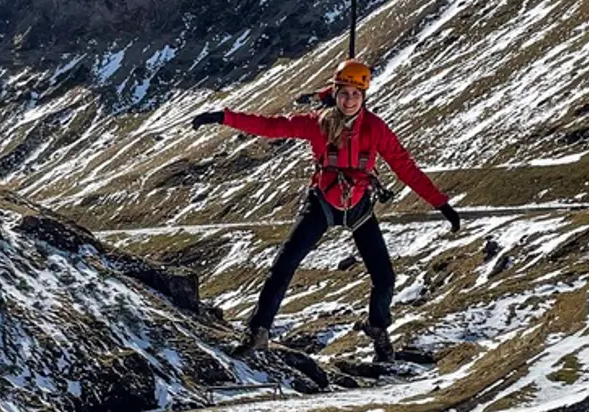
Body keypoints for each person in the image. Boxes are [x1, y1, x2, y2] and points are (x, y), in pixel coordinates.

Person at [191, 58, 460, 363]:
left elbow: (405, 167)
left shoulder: (375, 129)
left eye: (355, 95)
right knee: (283, 266)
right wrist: (223, 117)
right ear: (335, 93)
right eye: (344, 93)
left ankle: (378, 329)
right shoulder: (317, 123)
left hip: (358, 206)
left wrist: (441, 204)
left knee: (384, 278)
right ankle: (258, 333)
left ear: (364, 97)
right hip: (321, 202)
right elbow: (270, 126)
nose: (349, 100)